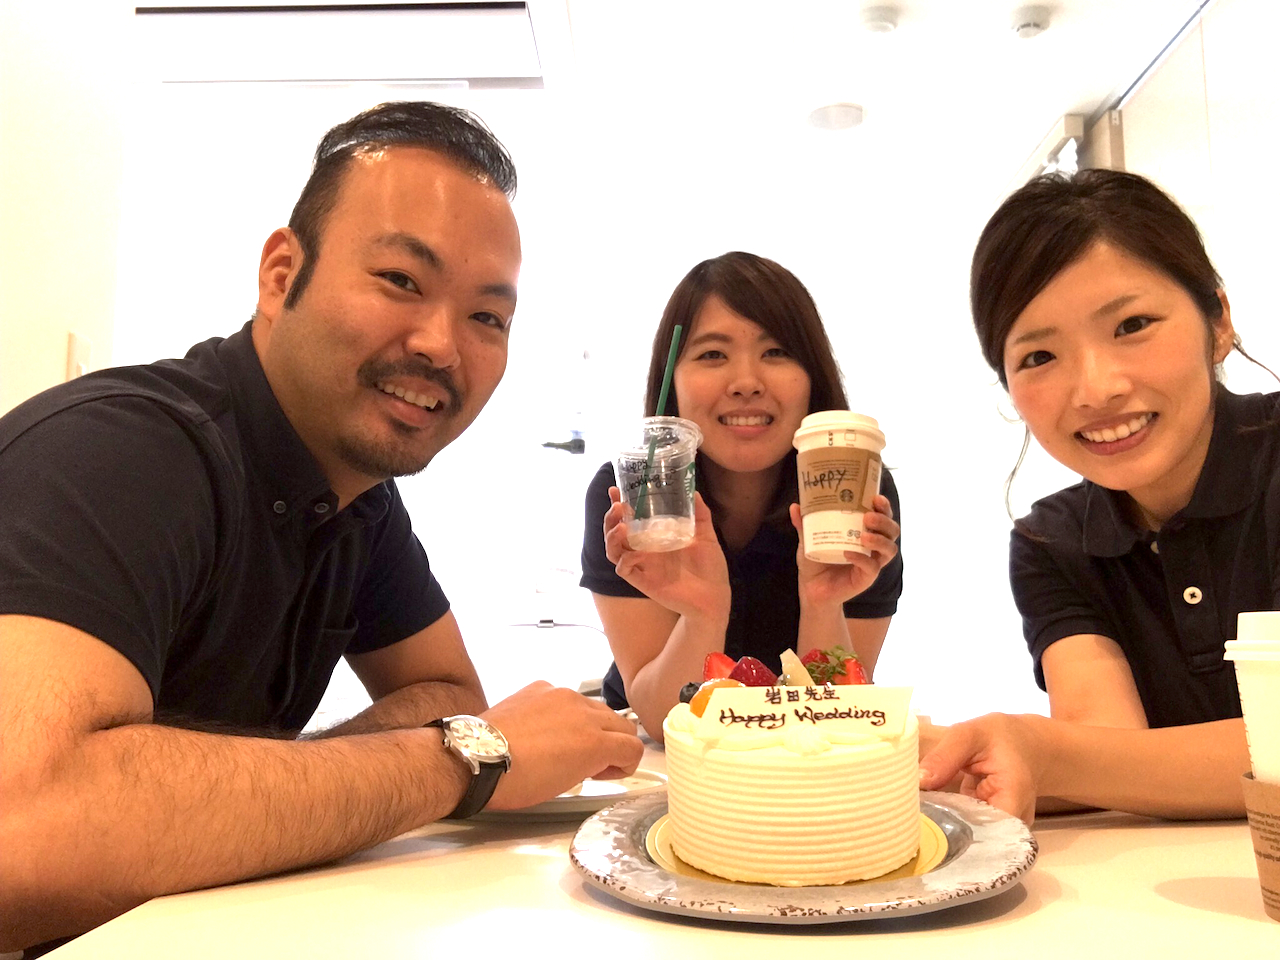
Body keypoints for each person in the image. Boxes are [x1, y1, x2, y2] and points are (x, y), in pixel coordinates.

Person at [0, 101, 641, 953]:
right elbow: (25, 829)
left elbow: (448, 693)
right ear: (280, 275)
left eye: (487, 317)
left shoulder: (361, 500)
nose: (442, 345)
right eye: (402, 280)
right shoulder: (120, 451)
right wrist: (466, 758)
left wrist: (256, 799)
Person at [919, 169, 1261, 823]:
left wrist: (1041, 750)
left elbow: (1082, 761)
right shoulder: (1052, 542)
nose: (1096, 389)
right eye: (1039, 357)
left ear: (1218, 320)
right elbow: (1105, 748)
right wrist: (909, 752)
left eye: (1131, 324)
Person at [580, 252, 903, 739]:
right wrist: (702, 614)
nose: (747, 383)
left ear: (812, 377)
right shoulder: (635, 495)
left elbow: (836, 718)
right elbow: (663, 722)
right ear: (672, 382)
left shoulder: (854, 494)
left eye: (776, 352)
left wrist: (823, 604)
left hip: (799, 755)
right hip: (661, 763)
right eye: (713, 354)